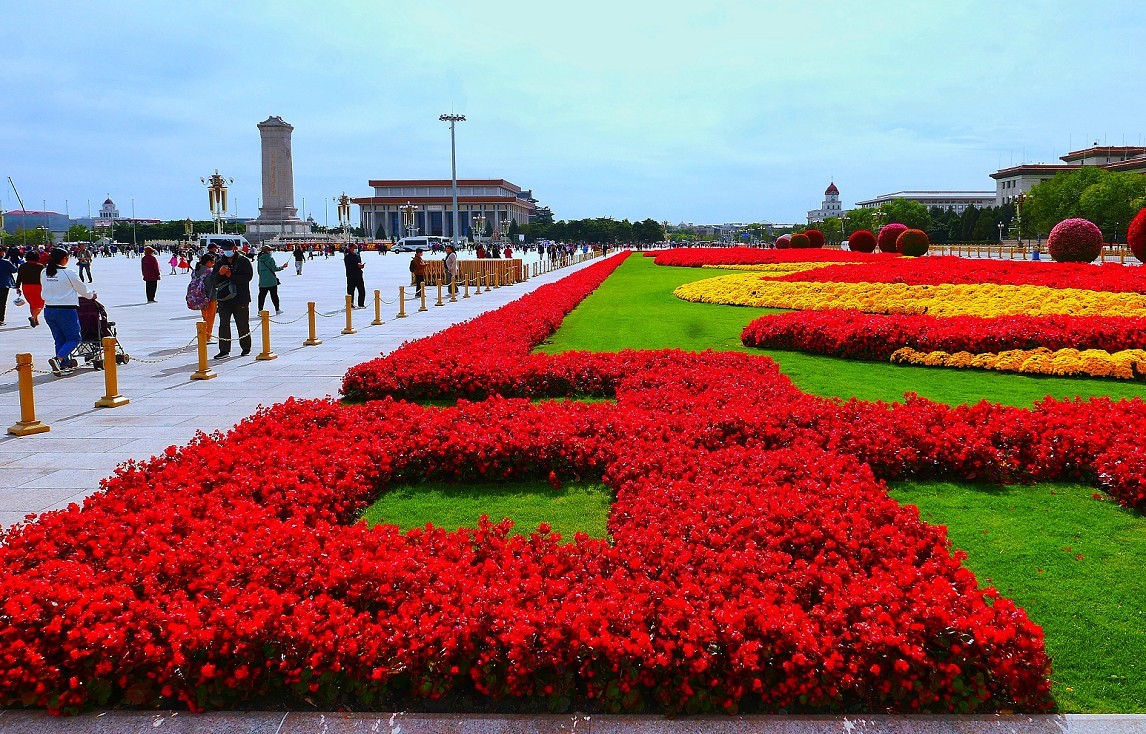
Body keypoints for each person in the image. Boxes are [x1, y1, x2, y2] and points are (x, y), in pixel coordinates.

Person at [40, 248, 97, 375]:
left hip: (49, 309)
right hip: (65, 310)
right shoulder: (68, 273)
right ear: (64, 259)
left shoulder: (44, 272)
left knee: (59, 338)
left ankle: (63, 366)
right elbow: (83, 290)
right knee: (74, 338)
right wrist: (92, 295)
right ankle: (59, 359)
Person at [211, 242, 254, 359]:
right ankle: (224, 350)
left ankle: (246, 348)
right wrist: (220, 273)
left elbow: (248, 277)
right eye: (224, 250)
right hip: (224, 298)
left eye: (228, 249)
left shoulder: (243, 261)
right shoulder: (220, 262)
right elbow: (213, 280)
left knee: (242, 324)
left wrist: (231, 275)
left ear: (234, 248)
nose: (226, 251)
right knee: (223, 324)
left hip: (241, 298)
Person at [188, 253, 217, 335]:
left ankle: (204, 335)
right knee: (210, 318)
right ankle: (207, 336)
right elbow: (210, 286)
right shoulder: (210, 271)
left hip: (199, 297)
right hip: (210, 297)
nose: (213, 264)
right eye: (213, 262)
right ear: (208, 262)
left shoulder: (195, 271)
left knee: (205, 317)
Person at [16, 251, 45, 327]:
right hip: (38, 287)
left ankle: (36, 319)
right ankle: (33, 317)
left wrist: (17, 287)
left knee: (32, 304)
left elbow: (19, 277)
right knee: (40, 304)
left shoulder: (22, 266)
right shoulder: (40, 266)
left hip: (26, 287)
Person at [257, 245, 289, 314]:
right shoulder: (270, 259)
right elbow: (274, 269)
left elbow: (258, 271)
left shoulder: (259, 259)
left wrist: (263, 276)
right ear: (267, 251)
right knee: (274, 296)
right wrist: (283, 267)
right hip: (271, 281)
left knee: (261, 297)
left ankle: (260, 310)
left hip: (262, 281)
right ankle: (277, 309)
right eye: (270, 250)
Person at [344, 243, 366, 309]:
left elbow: (359, 263)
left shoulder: (358, 256)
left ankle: (361, 304)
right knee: (351, 291)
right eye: (355, 248)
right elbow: (348, 266)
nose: (356, 249)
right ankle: (350, 304)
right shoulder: (347, 256)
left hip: (359, 275)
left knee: (362, 290)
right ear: (350, 249)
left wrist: (361, 266)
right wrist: (357, 266)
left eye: (356, 248)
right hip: (351, 276)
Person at [0, 247, 17, 326]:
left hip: (4, 284)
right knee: (2, 302)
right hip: (4, 284)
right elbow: (14, 270)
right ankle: (1, 319)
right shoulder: (6, 262)